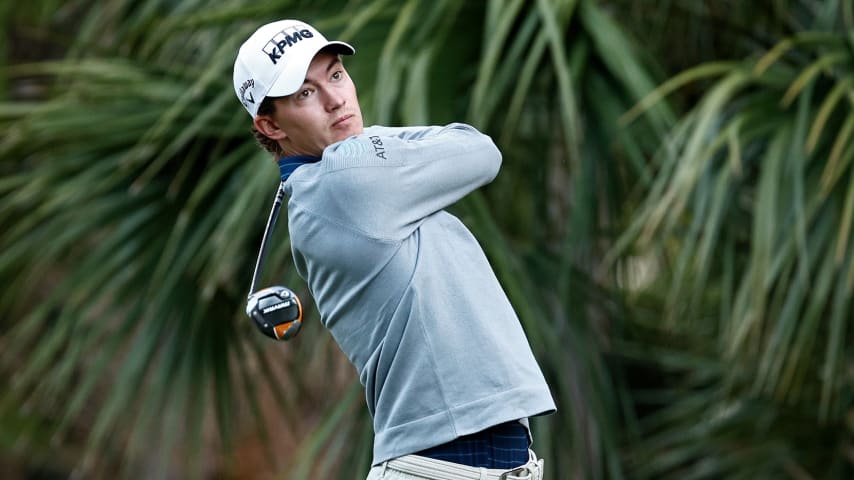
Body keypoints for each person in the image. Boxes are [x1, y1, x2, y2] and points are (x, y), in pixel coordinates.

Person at [233, 19, 556, 480]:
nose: (335, 99)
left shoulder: (339, 180)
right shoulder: (344, 181)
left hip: (483, 465)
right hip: (441, 467)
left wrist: (364, 144)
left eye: (336, 75)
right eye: (305, 93)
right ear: (269, 124)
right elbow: (480, 151)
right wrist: (367, 145)